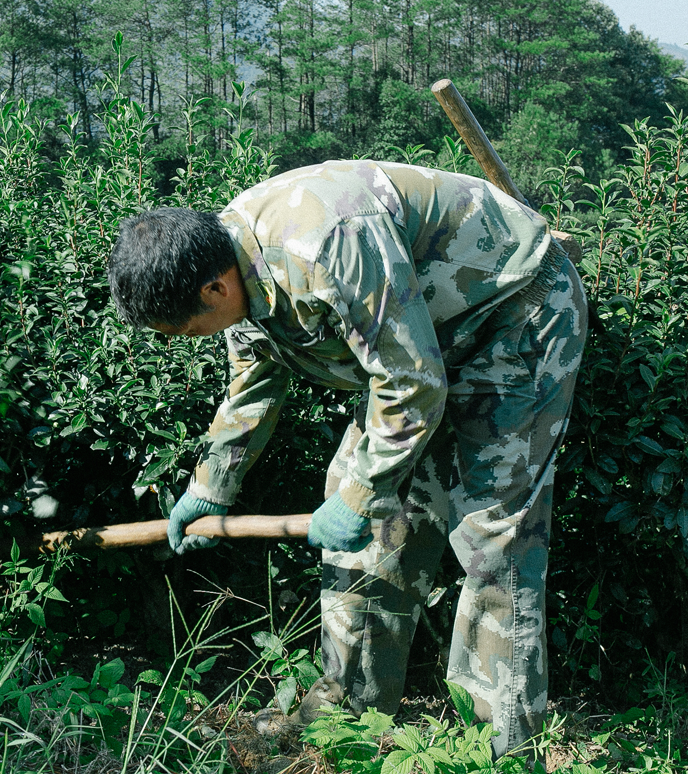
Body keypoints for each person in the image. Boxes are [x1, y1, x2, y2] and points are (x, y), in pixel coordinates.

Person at [107, 159, 587, 758]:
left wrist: (363, 492)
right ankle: (346, 717)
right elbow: (254, 380)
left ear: (215, 289)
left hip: (514, 316)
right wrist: (213, 484)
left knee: (494, 538)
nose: (183, 341)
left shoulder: (329, 241)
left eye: (182, 329)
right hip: (424, 340)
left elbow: (411, 385)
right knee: (370, 531)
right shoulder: (227, 262)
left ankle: (497, 747)